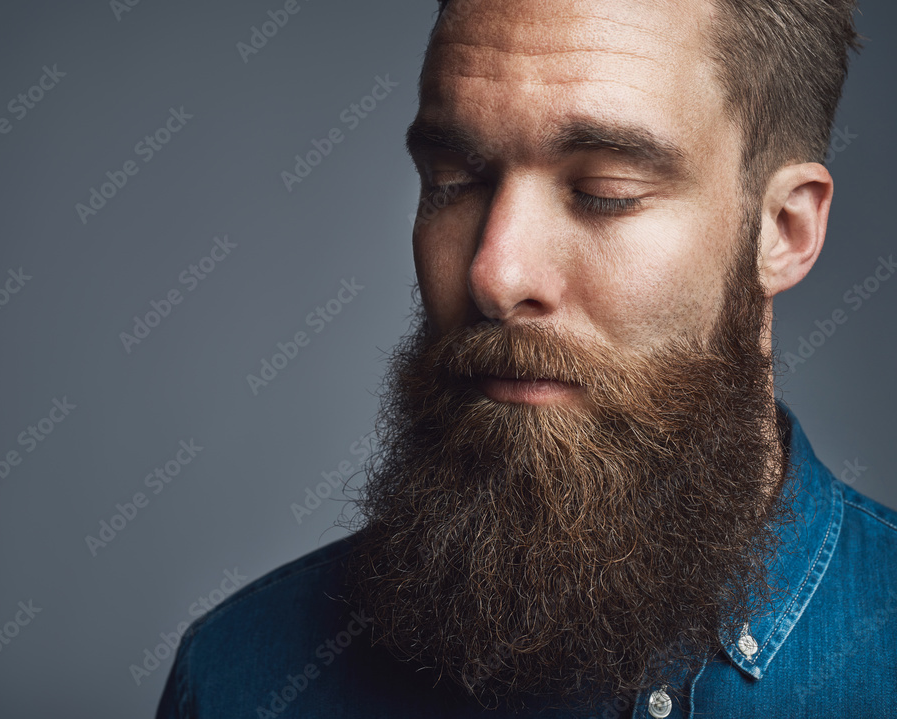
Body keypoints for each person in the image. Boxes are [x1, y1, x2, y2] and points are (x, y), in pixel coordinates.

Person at [155, 0, 897, 716]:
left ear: (783, 229)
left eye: (604, 193)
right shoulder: (242, 680)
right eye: (452, 183)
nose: (494, 275)